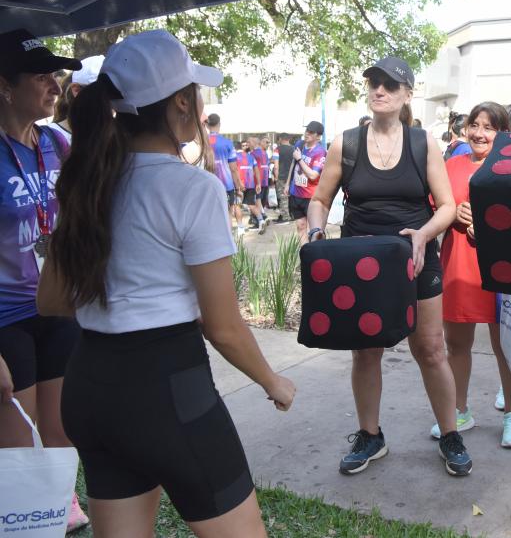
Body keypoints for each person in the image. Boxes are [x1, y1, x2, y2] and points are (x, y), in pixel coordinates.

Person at [37, 29, 295, 537]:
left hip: (89, 385)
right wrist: (273, 381)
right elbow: (222, 326)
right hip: (166, 389)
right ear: (181, 102)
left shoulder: (86, 181)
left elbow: (51, 300)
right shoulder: (191, 187)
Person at [305, 56, 473, 477]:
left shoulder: (422, 143)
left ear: (407, 95)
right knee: (366, 352)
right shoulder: (346, 144)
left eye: (390, 85)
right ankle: (370, 436)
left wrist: (423, 235)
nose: (379, 90)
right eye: (374, 83)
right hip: (361, 264)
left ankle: (450, 434)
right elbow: (320, 199)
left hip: (416, 258)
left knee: (431, 350)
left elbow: (447, 207)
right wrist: (316, 231)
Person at [0, 28, 89, 532]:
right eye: (41, 76)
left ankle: (59, 502)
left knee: (60, 429)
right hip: (5, 318)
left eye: (56, 75)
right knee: (18, 445)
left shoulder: (58, 143)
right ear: (4, 86)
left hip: (56, 306)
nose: (56, 86)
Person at [438, 101, 511, 448]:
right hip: (459, 264)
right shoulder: (451, 165)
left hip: (502, 269)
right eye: (475, 125)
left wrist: (490, 227)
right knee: (456, 344)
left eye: (489, 127)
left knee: (507, 345)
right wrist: (452, 214)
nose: (479, 133)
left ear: (503, 133)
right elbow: (435, 210)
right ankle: (459, 411)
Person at [51, 55, 104, 142]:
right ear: (77, 90)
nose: (114, 100)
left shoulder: (117, 136)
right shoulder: (48, 138)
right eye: (105, 91)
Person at [289, 121, 326, 241]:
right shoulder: (299, 144)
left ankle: (313, 251)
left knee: (313, 230)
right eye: (306, 130)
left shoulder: (320, 152)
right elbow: (293, 163)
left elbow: (313, 175)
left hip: (310, 196)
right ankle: (304, 251)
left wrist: (300, 159)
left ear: (318, 136)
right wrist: (288, 183)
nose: (307, 134)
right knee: (300, 226)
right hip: (295, 193)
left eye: (311, 132)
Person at [206, 113, 243, 221]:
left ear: (207, 125)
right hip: (226, 184)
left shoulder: (202, 142)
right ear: (219, 124)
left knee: (210, 216)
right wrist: (238, 187)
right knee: (228, 215)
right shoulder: (228, 143)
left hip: (207, 184)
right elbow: (233, 168)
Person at [235, 139, 265, 236]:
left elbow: (234, 170)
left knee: (237, 205)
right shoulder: (251, 157)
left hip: (240, 185)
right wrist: (258, 183)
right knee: (251, 205)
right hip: (251, 184)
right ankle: (261, 220)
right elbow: (256, 170)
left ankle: (240, 228)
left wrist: (237, 184)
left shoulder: (234, 156)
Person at [251, 135, 271, 223]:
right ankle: (259, 218)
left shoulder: (265, 153)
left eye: (269, 143)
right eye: (267, 142)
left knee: (260, 201)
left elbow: (266, 167)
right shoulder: (254, 153)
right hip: (257, 182)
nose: (268, 144)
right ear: (261, 142)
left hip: (265, 181)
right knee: (257, 200)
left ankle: (258, 218)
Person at [275, 134, 294, 222]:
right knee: (291, 196)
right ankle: (291, 214)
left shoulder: (277, 149)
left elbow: (276, 165)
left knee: (283, 197)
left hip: (281, 176)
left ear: (280, 139)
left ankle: (285, 217)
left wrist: (276, 177)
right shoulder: (294, 149)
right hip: (292, 176)